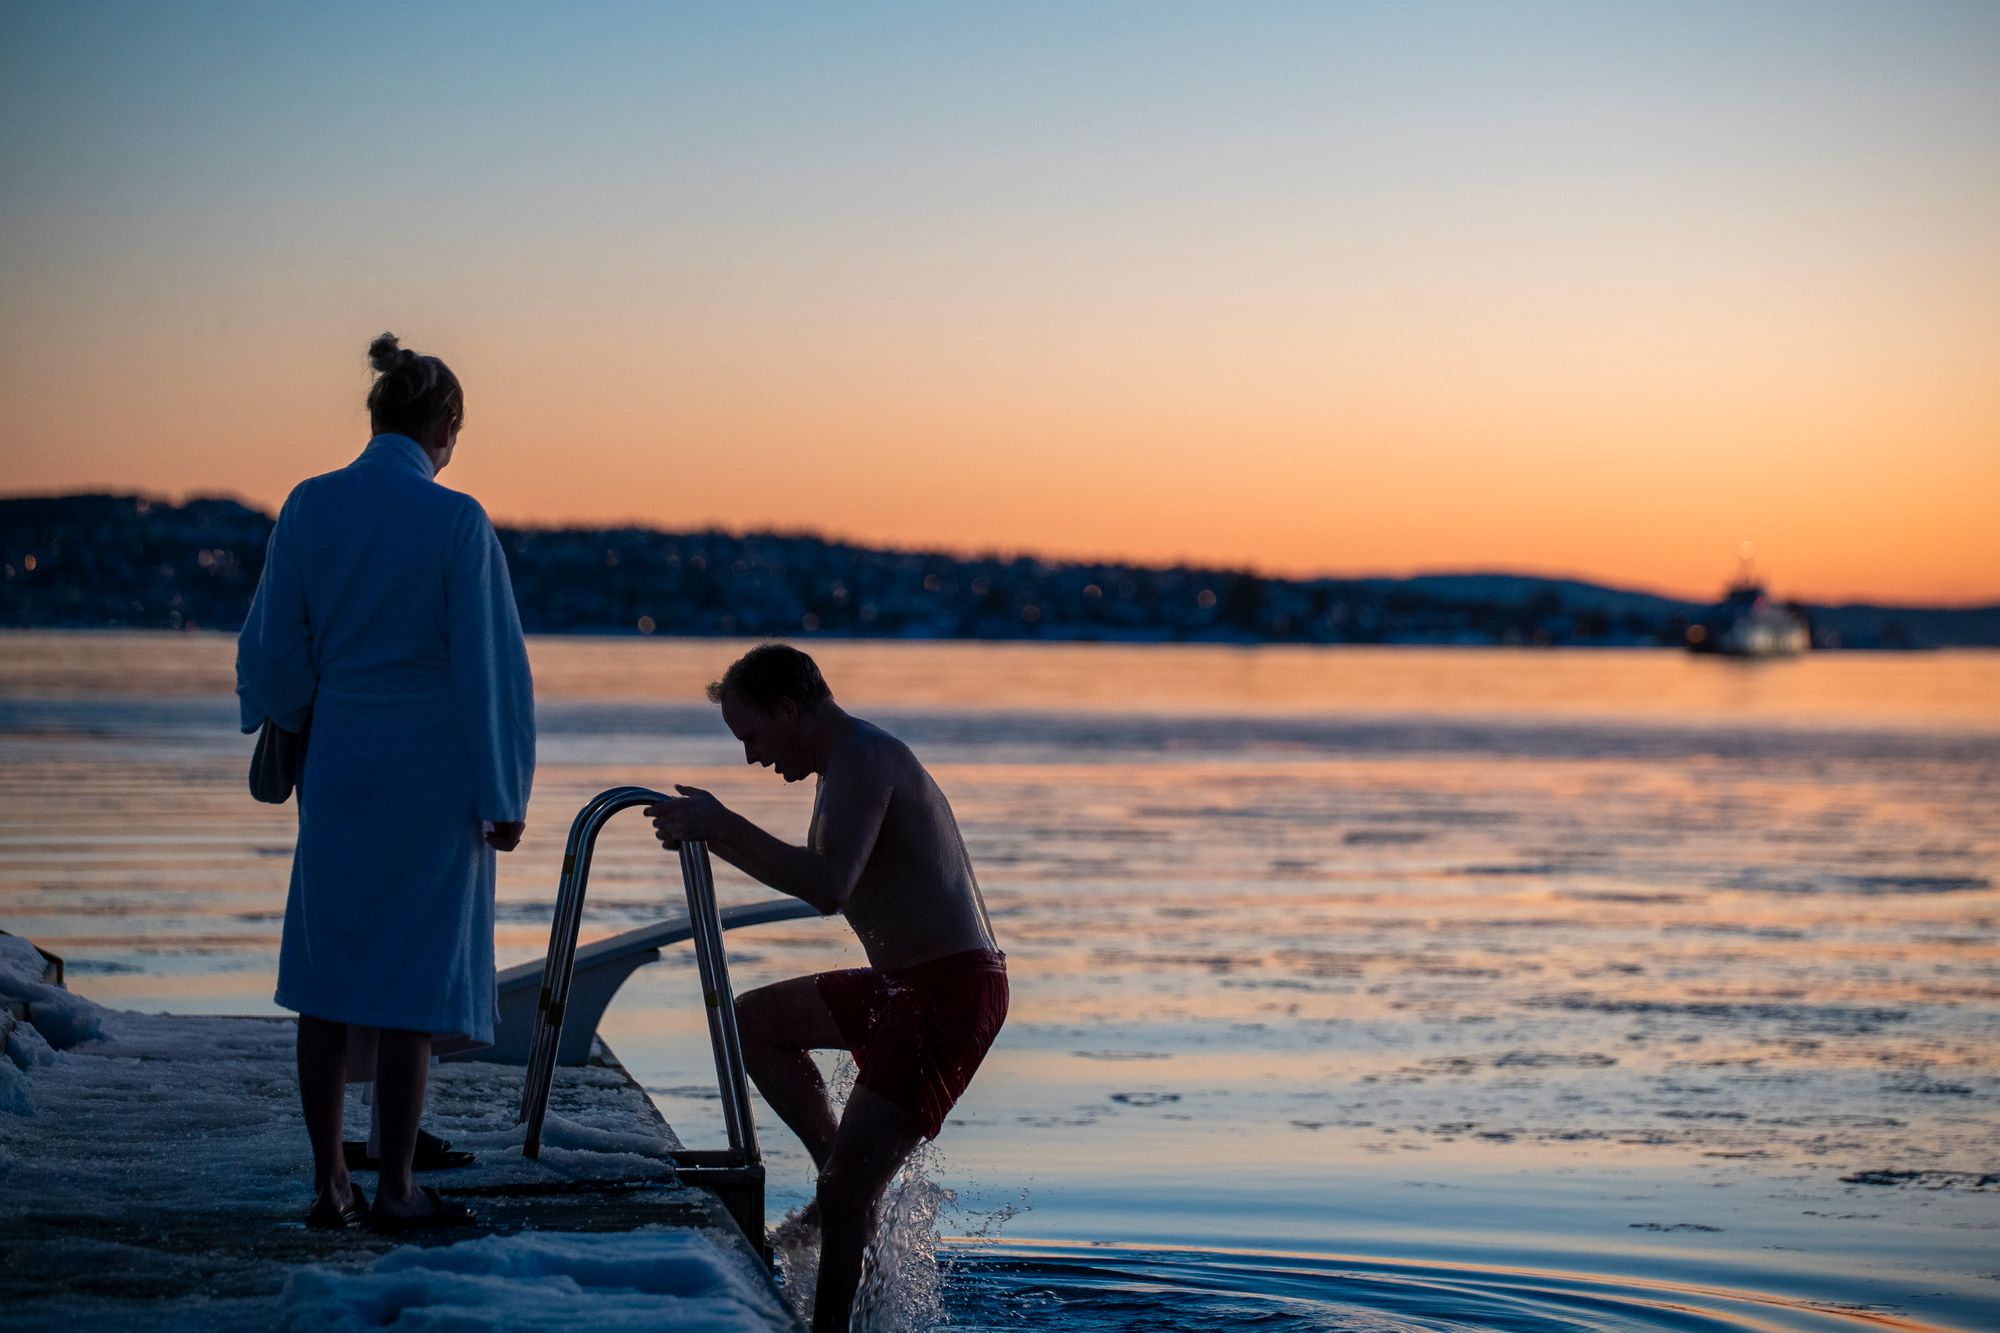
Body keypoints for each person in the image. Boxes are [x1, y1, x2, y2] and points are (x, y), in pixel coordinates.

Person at [236, 333, 535, 1231]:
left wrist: (296, 717)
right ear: (445, 426)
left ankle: (330, 1178)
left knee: (327, 978)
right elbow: (491, 668)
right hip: (432, 774)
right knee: (411, 989)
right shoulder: (455, 522)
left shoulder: (309, 505)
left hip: (342, 761)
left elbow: (273, 652)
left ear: (375, 415)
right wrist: (504, 791)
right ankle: (397, 1185)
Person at [644, 644, 1006, 1333]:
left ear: (790, 707)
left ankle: (836, 1271)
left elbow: (826, 886)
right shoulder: (841, 765)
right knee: (753, 1024)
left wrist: (720, 828)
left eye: (752, 736)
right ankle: (843, 1185)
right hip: (907, 985)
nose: (752, 757)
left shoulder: (866, 760)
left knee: (845, 1193)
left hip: (951, 992)